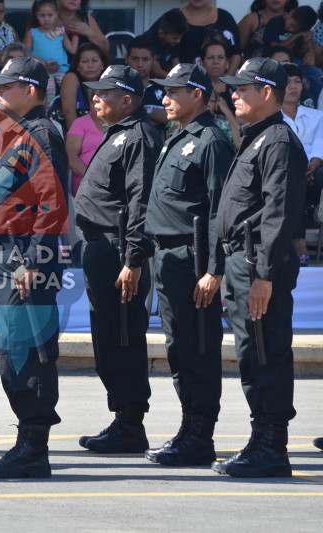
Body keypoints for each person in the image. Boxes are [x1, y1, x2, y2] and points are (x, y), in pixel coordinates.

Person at [211, 57, 306, 478]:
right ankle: (260, 439)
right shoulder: (258, 137)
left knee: (265, 353)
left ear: (267, 92)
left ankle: (271, 446)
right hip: (243, 263)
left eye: (242, 88)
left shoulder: (278, 141)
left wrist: (264, 276)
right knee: (252, 353)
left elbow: (278, 215)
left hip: (257, 265)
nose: (234, 94)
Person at [0, 57, 69, 478]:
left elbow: (51, 203)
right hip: (6, 259)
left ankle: (34, 448)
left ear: (30, 90)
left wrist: (33, 261)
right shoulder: (15, 135)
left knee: (29, 353)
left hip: (25, 263)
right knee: (15, 354)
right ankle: (26, 442)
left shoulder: (41, 133)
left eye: (6, 86)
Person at [144, 64, 233, 467]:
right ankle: (188, 427)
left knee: (197, 346)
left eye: (174, 92)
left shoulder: (211, 140)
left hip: (191, 257)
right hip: (167, 257)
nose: (165, 98)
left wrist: (213, 270)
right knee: (179, 346)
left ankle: (201, 435)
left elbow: (219, 210)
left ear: (197, 94)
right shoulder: (176, 136)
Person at [73, 65, 161, 454]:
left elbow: (141, 201)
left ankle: (130, 422)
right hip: (101, 248)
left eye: (103, 93)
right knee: (108, 334)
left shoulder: (138, 137)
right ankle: (121, 417)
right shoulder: (118, 135)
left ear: (126, 100)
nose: (95, 98)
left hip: (118, 251)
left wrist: (134, 259)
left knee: (123, 334)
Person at [280, 62, 323, 267]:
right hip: (285, 174)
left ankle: (298, 242)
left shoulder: (317, 115)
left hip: (315, 174)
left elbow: (319, 145)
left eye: (297, 81)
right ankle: (299, 242)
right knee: (292, 177)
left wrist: (312, 166)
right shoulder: (272, 118)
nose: (293, 86)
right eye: (288, 82)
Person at [171, 0, 242, 75]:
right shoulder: (173, 16)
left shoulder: (225, 17)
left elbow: (236, 53)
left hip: (220, 80)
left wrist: (225, 81)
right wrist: (180, 80)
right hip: (179, 80)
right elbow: (165, 50)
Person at [24, 0, 76, 99]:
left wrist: (75, 35)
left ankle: (67, 110)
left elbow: (72, 50)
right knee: (48, 93)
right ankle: (47, 113)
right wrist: (43, 63)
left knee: (69, 90)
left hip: (61, 70)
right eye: (42, 15)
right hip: (42, 71)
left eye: (50, 15)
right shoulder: (32, 32)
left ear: (56, 14)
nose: (46, 19)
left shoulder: (60, 32)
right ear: (36, 15)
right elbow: (26, 52)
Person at [200, 40, 243, 148]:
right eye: (210, 57)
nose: (215, 62)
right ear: (201, 63)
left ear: (227, 62)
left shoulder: (238, 89)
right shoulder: (196, 91)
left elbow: (247, 121)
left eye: (220, 58)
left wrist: (227, 111)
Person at [58, 42, 109, 129]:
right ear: (77, 65)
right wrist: (79, 137)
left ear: (102, 64)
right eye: (84, 61)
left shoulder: (110, 81)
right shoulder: (71, 78)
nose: (90, 66)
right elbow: (68, 113)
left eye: (94, 60)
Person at [65, 88, 103, 196]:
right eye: (94, 101)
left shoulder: (120, 124)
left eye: (101, 101)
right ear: (90, 103)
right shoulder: (80, 123)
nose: (97, 105)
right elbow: (71, 158)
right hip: (85, 188)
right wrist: (95, 180)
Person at [125, 36, 167, 127]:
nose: (140, 64)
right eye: (135, 59)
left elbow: (171, 119)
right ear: (126, 58)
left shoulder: (164, 87)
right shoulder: (119, 87)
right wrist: (155, 116)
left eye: (145, 59)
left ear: (154, 59)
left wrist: (145, 110)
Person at [143, 8, 188, 79]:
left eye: (180, 38)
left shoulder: (173, 42)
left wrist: (181, 76)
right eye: (175, 38)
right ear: (161, 33)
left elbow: (176, 63)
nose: (178, 41)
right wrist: (176, 80)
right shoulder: (149, 42)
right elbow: (156, 71)